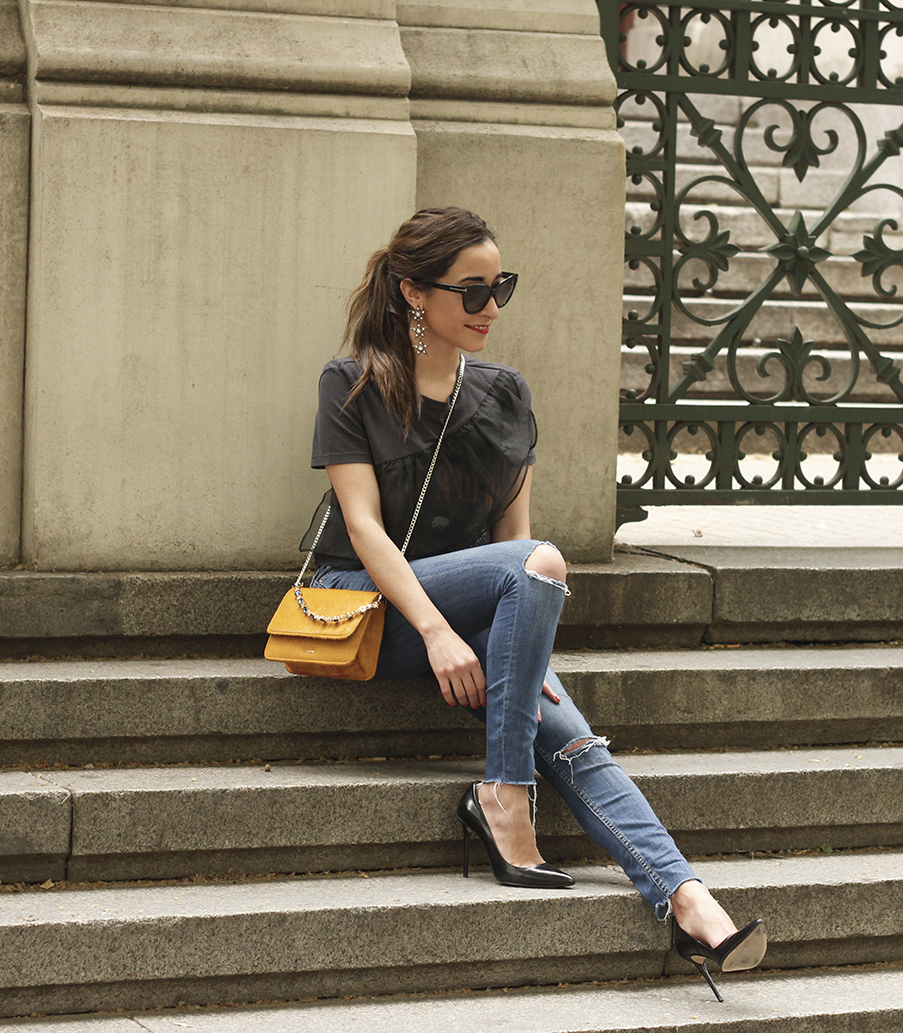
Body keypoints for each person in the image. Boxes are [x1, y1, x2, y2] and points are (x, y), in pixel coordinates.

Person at [303, 207, 766, 1000]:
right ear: (414, 292)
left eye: (501, 287)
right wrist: (438, 631)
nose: (490, 307)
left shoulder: (505, 393)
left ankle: (691, 903)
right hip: (364, 609)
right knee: (541, 565)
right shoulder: (352, 382)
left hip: (475, 611)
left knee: (572, 732)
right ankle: (505, 796)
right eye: (472, 290)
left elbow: (513, 546)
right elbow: (365, 528)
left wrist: (525, 655)